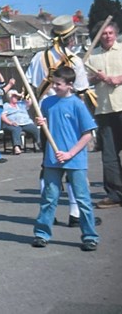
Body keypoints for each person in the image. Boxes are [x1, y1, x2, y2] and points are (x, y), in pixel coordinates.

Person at [26, 15, 93, 227]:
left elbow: (29, 87)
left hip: (44, 119)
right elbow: (82, 93)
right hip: (68, 121)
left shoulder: (38, 58)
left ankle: (49, 213)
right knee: (72, 166)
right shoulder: (75, 61)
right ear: (70, 38)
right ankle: (75, 213)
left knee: (47, 166)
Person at [31, 66, 100, 251]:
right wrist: (41, 123)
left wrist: (70, 153)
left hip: (74, 159)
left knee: (82, 199)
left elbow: (88, 134)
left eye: (58, 84)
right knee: (49, 197)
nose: (54, 86)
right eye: (53, 83)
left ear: (70, 85)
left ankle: (90, 236)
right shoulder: (47, 103)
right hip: (52, 159)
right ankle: (41, 234)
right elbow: (46, 124)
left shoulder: (77, 104)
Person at [87, 20, 122, 208]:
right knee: (109, 155)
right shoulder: (93, 57)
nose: (107, 36)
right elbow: (85, 81)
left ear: (115, 34)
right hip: (104, 110)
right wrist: (95, 78)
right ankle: (116, 194)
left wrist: (118, 78)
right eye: (104, 33)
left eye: (110, 33)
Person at [1, 90, 41, 155]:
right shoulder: (6, 105)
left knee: (35, 129)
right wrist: (10, 123)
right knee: (16, 129)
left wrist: (22, 95)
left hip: (25, 123)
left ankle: (40, 144)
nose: (16, 98)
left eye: (16, 96)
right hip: (12, 124)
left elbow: (30, 101)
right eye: (14, 96)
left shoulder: (21, 103)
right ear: (10, 97)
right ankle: (16, 147)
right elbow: (3, 117)